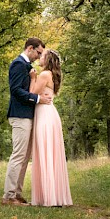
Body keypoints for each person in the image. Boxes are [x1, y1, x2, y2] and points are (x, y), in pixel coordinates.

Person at [2, 37, 53, 205]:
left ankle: (16, 193)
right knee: (18, 155)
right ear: (30, 48)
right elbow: (16, 91)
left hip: (29, 116)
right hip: (19, 115)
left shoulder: (28, 67)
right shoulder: (18, 64)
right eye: (38, 53)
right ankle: (8, 196)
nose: (39, 57)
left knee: (25, 157)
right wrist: (37, 98)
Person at [29, 49, 73, 207]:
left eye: (43, 55)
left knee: (45, 153)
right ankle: (53, 196)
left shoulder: (45, 74)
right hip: (50, 114)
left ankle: (48, 197)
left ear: (47, 60)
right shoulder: (52, 75)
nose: (40, 57)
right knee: (51, 154)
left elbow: (32, 93)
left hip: (45, 116)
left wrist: (33, 78)